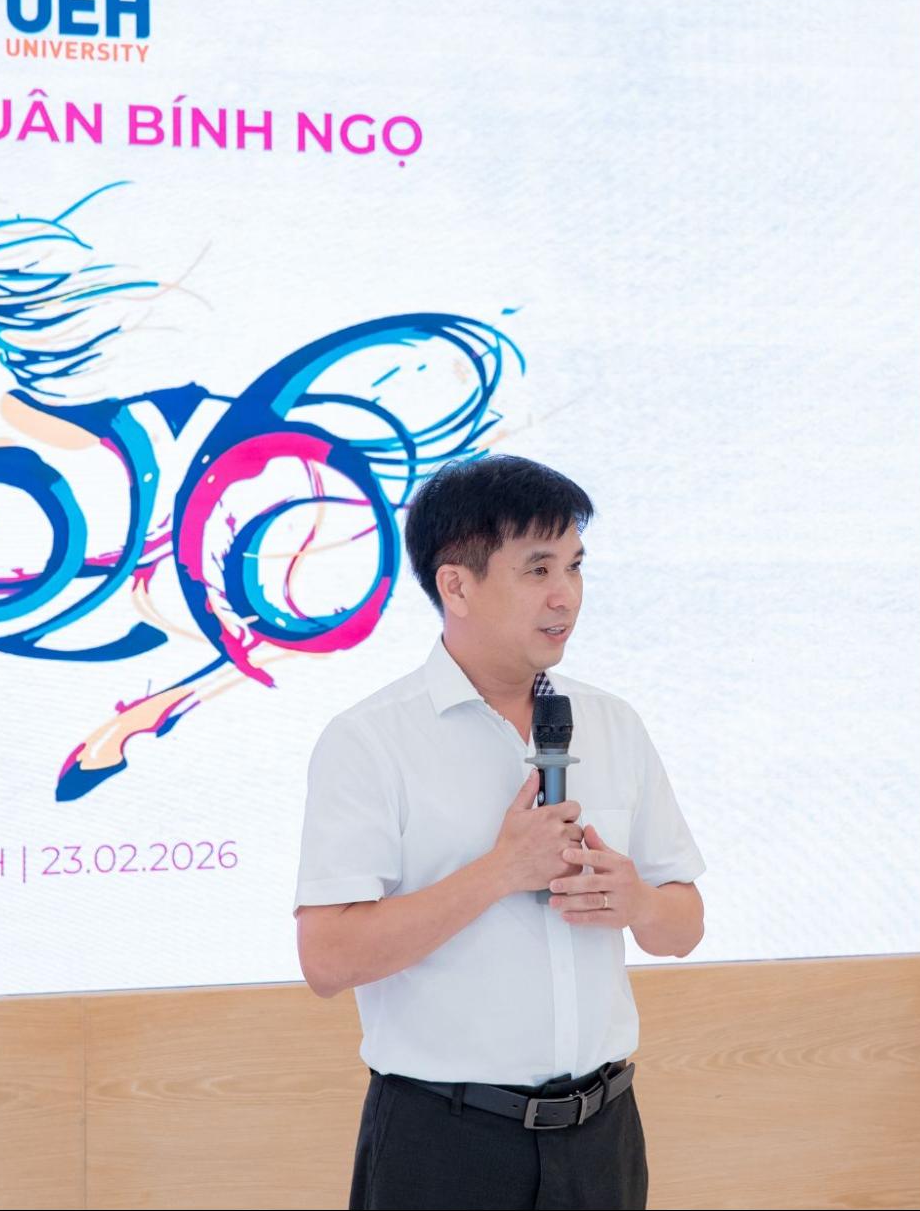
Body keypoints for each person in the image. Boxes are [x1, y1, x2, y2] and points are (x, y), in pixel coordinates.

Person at [293, 454, 706, 1210]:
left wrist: (639, 902)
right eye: (537, 569)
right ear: (456, 585)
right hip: (444, 1143)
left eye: (575, 567)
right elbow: (327, 958)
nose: (565, 595)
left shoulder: (612, 723)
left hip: (602, 1138)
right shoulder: (370, 740)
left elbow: (683, 924)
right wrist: (501, 870)